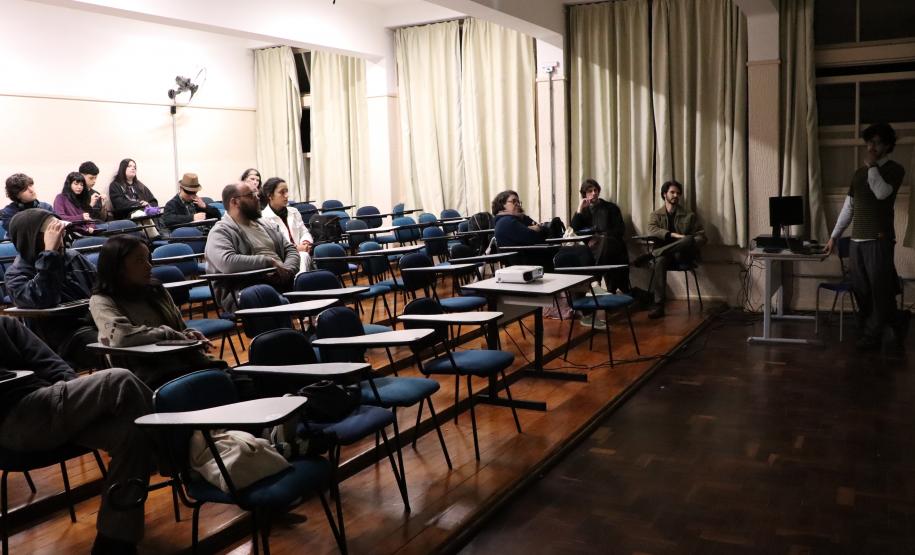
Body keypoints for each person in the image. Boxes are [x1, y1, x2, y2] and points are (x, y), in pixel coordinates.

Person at [0, 316, 154, 555]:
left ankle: (114, 542)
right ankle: (186, 459)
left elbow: (53, 363)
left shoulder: (6, 325)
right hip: (10, 421)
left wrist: (80, 403)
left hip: (50, 404)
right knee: (119, 379)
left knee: (131, 435)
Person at [89, 234, 217, 388]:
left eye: (148, 259)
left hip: (185, 362)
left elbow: (180, 329)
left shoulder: (156, 290)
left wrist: (189, 334)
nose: (149, 266)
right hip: (150, 377)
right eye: (139, 261)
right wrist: (169, 334)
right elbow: (122, 337)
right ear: (117, 267)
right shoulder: (102, 300)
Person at [825, 122, 909, 351]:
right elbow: (849, 207)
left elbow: (882, 193)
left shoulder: (894, 169)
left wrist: (872, 168)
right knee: (861, 289)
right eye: (870, 142)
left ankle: (873, 336)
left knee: (880, 289)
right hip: (857, 241)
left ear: (888, 145)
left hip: (879, 239)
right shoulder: (859, 174)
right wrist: (834, 236)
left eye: (877, 142)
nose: (872, 146)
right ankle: (883, 329)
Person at [4, 208, 100, 369]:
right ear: (32, 238)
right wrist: (49, 254)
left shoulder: (73, 257)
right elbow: (44, 299)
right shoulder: (16, 275)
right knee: (115, 348)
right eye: (52, 232)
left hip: (98, 322)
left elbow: (103, 286)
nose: (60, 236)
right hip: (66, 337)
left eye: (60, 230)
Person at [204, 182, 299, 312]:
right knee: (266, 294)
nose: (257, 197)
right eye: (251, 195)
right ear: (234, 202)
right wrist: (268, 263)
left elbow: (290, 249)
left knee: (312, 281)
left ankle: (316, 326)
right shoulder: (221, 231)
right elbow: (227, 262)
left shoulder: (266, 224)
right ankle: (285, 332)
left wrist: (287, 270)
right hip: (245, 289)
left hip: (281, 280)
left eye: (256, 193)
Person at [641, 180, 707, 319]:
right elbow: (652, 229)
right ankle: (659, 306)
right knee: (660, 261)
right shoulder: (656, 214)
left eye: (678, 193)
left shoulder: (689, 215)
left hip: (683, 255)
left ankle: (652, 254)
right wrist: (672, 235)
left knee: (688, 239)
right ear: (665, 194)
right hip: (666, 256)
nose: (675, 195)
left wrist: (689, 241)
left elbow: (702, 236)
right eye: (672, 192)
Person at [570, 179, 630, 293]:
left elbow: (620, 229)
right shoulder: (584, 211)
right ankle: (593, 285)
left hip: (612, 245)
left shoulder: (611, 208)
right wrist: (579, 209)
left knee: (604, 241)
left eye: (595, 190)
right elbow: (574, 230)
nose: (594, 193)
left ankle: (594, 280)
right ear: (584, 195)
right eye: (590, 191)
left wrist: (600, 238)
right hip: (592, 249)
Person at [260, 177, 314, 273]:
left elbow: (304, 231)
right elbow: (271, 246)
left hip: (302, 251)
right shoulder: (263, 218)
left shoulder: (294, 211)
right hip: (283, 259)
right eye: (282, 192)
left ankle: (300, 283)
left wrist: (305, 242)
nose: (286, 195)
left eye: (287, 191)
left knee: (304, 255)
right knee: (303, 255)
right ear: (270, 196)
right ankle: (299, 284)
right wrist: (296, 249)